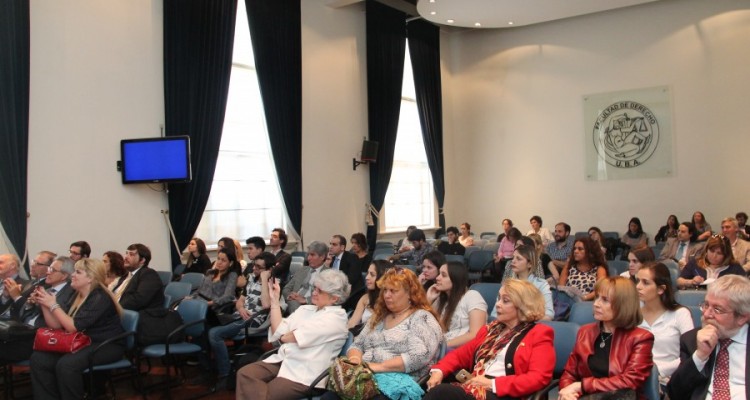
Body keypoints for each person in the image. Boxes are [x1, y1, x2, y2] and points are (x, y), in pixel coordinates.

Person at [424, 279, 555, 400]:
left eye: (506, 300)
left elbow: (538, 378)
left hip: (504, 393)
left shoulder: (538, 334)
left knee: (442, 393)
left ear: (523, 306)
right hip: (476, 386)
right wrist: (439, 371)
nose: (497, 304)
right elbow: (459, 355)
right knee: (430, 383)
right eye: (499, 299)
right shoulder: (490, 330)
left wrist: (493, 384)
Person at [235, 269, 350, 400]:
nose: (314, 292)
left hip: (304, 374)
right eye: (315, 288)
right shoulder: (306, 309)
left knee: (265, 394)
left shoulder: (336, 319)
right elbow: (279, 330)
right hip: (285, 359)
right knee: (245, 374)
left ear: (334, 298)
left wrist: (286, 335)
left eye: (320, 291)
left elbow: (286, 337)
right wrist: (274, 300)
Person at [30, 258, 125, 400]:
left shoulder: (99, 297)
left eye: (78, 272)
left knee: (67, 365)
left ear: (90, 278)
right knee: (39, 359)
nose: (72, 275)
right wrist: (44, 303)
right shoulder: (76, 294)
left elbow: (73, 327)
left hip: (105, 344)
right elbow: (55, 325)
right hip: (81, 342)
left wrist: (53, 305)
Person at [339, 267, 442, 385]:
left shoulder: (421, 317)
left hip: (396, 382)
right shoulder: (379, 316)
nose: (386, 295)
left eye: (393, 291)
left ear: (410, 293)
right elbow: (357, 344)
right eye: (385, 290)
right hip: (364, 376)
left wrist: (377, 367)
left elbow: (419, 356)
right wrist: (355, 361)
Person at [558, 277, 655, 399]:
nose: (596, 304)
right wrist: (568, 392)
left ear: (623, 304)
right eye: (597, 297)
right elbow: (569, 373)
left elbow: (630, 381)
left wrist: (582, 386)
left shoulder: (641, 338)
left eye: (605, 300)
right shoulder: (585, 332)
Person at [666, 275, 750, 400]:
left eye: (717, 309)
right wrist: (700, 356)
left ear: (742, 317)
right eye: (706, 305)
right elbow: (675, 394)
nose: (706, 314)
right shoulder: (691, 340)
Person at [207, 252, 276, 390]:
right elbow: (240, 300)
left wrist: (264, 280)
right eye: (254, 265)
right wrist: (241, 308)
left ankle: (225, 374)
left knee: (215, 334)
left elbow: (267, 305)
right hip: (240, 315)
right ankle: (212, 367)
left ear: (269, 270)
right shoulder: (251, 278)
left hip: (253, 320)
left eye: (259, 267)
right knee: (207, 322)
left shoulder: (273, 283)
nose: (254, 269)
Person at [636, 262, 693, 386]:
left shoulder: (681, 314)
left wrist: (655, 371)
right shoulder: (632, 313)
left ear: (661, 289)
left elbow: (690, 355)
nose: (638, 286)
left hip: (668, 379)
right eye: (637, 281)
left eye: (645, 282)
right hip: (635, 377)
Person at [427, 261, 487, 348]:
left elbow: (475, 334)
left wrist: (441, 347)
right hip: (443, 348)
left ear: (455, 278)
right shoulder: (441, 299)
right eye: (439, 274)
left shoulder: (472, 296)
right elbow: (429, 326)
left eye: (443, 275)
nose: (437, 278)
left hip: (462, 351)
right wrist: (428, 300)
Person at [498, 245, 554, 320]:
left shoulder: (541, 285)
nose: (513, 261)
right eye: (513, 257)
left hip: (532, 327)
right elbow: (496, 313)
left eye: (518, 259)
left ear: (529, 264)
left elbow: (548, 314)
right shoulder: (507, 285)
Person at [677, 234, 745, 289]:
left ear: (726, 255)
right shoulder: (694, 263)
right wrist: (691, 282)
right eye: (712, 251)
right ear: (706, 250)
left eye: (719, 253)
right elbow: (679, 281)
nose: (714, 256)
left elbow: (745, 286)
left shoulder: (734, 267)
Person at [193, 247, 239, 325]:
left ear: (230, 263)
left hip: (212, 307)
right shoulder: (210, 272)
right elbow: (199, 290)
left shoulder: (232, 275)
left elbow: (228, 296)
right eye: (218, 259)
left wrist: (211, 303)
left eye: (223, 260)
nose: (219, 262)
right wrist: (191, 297)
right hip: (198, 301)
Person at [282, 241, 330, 314]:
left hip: (311, 305)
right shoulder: (302, 270)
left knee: (293, 305)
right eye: (308, 255)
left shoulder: (328, 274)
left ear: (322, 257)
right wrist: (290, 296)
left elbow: (327, 296)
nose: (308, 258)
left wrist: (305, 300)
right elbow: (286, 288)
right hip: (293, 301)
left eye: (312, 255)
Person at [558, 237, 608, 301]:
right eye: (574, 249)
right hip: (568, 302)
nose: (575, 251)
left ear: (590, 252)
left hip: (588, 303)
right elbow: (561, 288)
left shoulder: (599, 269)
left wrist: (583, 298)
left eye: (580, 249)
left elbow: (600, 290)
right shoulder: (569, 266)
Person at [118, 243, 164, 311]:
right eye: (126, 253)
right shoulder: (125, 276)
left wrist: (115, 307)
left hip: (140, 316)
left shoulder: (149, 274)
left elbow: (139, 300)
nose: (125, 257)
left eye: (131, 254)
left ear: (142, 260)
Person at [348, 260, 391, 333]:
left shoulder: (391, 301)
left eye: (372, 275)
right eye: (367, 273)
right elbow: (352, 323)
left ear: (383, 277)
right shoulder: (365, 298)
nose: (367, 277)